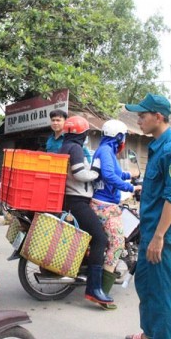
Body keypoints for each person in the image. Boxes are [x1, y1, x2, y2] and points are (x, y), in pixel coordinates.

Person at [124, 93, 171, 339]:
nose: (139, 120)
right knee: (146, 286)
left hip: (161, 236)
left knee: (163, 296)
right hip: (150, 231)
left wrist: (159, 237)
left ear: (158, 117)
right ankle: (150, 335)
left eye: (143, 116)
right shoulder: (156, 146)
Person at [58, 115, 112, 305]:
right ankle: (94, 289)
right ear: (82, 134)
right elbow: (80, 174)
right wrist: (95, 173)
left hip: (69, 200)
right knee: (100, 238)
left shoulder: (64, 146)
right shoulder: (76, 148)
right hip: (77, 201)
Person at [90, 119, 142, 310]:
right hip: (104, 205)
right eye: (124, 137)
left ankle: (108, 273)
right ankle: (101, 291)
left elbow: (115, 172)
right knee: (118, 243)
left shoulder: (106, 150)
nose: (124, 141)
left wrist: (131, 176)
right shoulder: (106, 151)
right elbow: (110, 176)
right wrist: (130, 187)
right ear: (119, 136)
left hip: (106, 203)